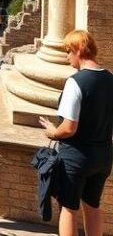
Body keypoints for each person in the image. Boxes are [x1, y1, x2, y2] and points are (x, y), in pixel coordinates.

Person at [38, 30, 113, 236]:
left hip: (76, 158)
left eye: (69, 51)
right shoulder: (110, 78)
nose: (67, 56)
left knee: (69, 209)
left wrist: (53, 132)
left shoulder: (75, 82)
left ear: (79, 51)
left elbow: (69, 127)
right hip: (103, 156)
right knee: (92, 206)